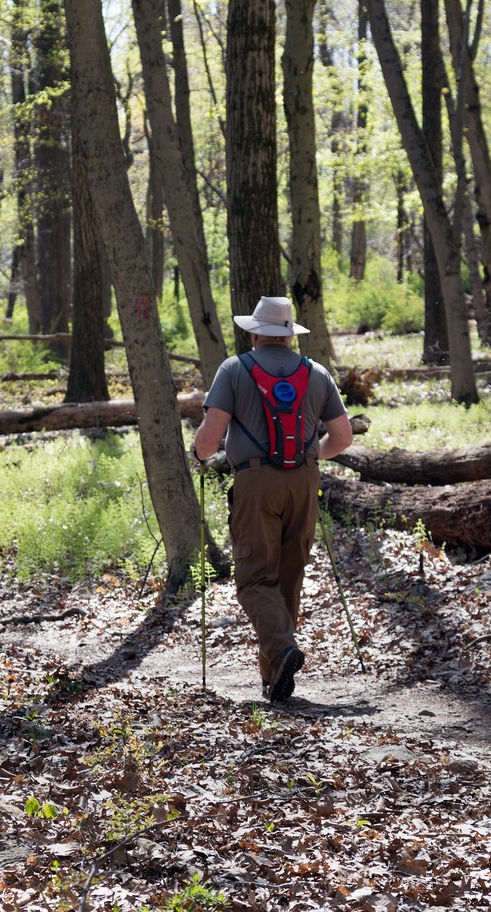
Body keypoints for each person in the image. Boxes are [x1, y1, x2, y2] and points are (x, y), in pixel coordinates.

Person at [191, 296, 351, 702]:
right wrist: (310, 456)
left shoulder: (234, 369)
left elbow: (210, 439)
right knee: (287, 578)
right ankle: (273, 676)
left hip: (256, 481)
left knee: (253, 578)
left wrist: (198, 455)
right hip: (304, 481)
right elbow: (343, 438)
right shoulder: (317, 373)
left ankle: (281, 652)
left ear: (253, 332)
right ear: (289, 333)